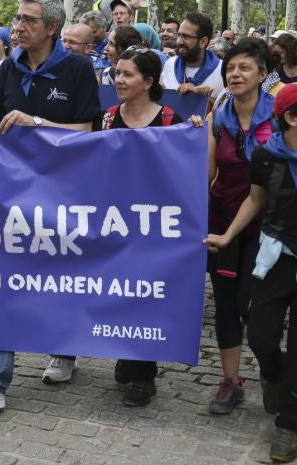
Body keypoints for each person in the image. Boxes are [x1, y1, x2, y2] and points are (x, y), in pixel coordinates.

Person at [206, 81, 297, 463]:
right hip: (273, 261)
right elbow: (254, 201)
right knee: (260, 333)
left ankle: (289, 424)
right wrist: (227, 236)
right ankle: (274, 375)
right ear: (291, 118)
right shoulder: (265, 158)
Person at [0, 0, 100, 404]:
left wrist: (38, 122)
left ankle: (63, 348)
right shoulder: (7, 68)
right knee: (3, 277)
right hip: (13, 192)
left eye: (28, 21)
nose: (17, 27)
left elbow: (88, 133)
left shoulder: (78, 68)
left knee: (58, 276)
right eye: (17, 19)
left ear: (52, 28)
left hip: (63, 191)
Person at [95, 47, 195, 406]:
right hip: (115, 223)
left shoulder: (171, 120)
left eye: (127, 74)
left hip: (154, 226)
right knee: (119, 294)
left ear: (148, 82)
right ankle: (127, 352)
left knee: (145, 296)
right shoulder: (107, 118)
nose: (118, 80)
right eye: (116, 73)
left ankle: (144, 374)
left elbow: (185, 172)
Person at [201, 40, 274, 416]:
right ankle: (230, 381)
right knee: (227, 305)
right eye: (231, 68)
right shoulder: (218, 117)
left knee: (254, 304)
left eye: (245, 68)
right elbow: (208, 174)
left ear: (263, 74)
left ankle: (272, 370)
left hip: (269, 226)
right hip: (223, 221)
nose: (236, 74)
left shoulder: (281, 115)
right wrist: (192, 140)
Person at [160, 12, 224, 102]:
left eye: (186, 36)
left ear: (203, 42)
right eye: (179, 35)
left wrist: (203, 98)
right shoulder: (169, 65)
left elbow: (228, 110)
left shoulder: (222, 70)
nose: (179, 41)